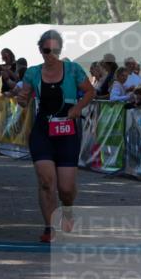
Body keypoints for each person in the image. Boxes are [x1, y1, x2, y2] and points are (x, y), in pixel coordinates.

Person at [16, 30, 96, 243]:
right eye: (46, 50)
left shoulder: (72, 70)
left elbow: (90, 91)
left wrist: (78, 107)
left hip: (67, 132)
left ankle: (68, 211)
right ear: (40, 49)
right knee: (45, 182)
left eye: (55, 50)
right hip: (42, 131)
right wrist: (21, 99)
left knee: (66, 189)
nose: (50, 54)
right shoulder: (32, 73)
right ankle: (50, 228)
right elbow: (23, 100)